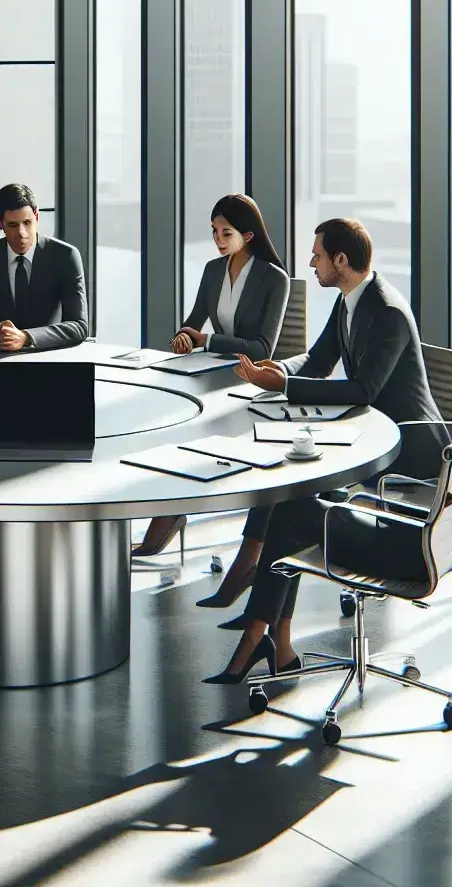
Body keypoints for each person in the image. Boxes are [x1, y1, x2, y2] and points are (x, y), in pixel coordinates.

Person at [204, 217, 447, 684]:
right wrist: (277, 370)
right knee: (284, 492)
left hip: (407, 474)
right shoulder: (349, 301)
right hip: (372, 447)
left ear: (341, 260)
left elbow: (363, 389)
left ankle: (263, 636)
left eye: (316, 255)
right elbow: (317, 361)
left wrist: (289, 386)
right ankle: (272, 637)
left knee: (291, 503)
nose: (310, 262)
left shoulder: (387, 312)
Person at [130, 195, 291, 612]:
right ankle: (171, 511)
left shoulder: (275, 279)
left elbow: (262, 346)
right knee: (169, 422)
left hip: (252, 383)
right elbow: (196, 321)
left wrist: (209, 342)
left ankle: (174, 518)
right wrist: (187, 336)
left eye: (227, 233)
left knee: (199, 432)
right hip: (208, 376)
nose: (219, 241)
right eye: (215, 232)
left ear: (248, 235)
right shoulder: (211, 270)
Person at [0, 183, 90, 352]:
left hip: (50, 359)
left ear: (37, 216)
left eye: (27, 222)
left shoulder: (65, 256)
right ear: (0, 223)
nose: (22, 233)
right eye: (13, 225)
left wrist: (26, 338)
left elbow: (79, 326)